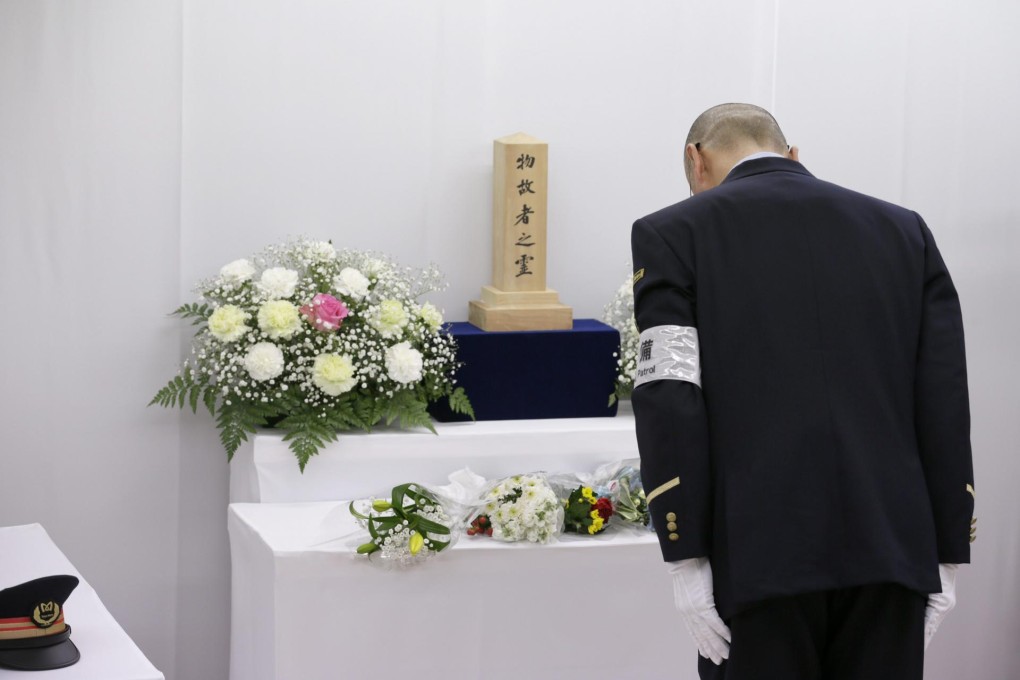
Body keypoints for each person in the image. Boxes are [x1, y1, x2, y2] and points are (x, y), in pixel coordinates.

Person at [630, 103, 975, 680]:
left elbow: (670, 394)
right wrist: (947, 555)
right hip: (892, 551)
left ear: (697, 159)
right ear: (792, 153)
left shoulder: (672, 232)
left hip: (759, 557)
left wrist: (684, 555)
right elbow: (942, 395)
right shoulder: (903, 229)